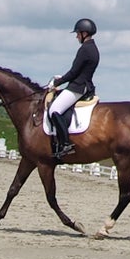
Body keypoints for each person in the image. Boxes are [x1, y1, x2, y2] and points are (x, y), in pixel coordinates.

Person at [46, 18, 99, 160]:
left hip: (78, 87)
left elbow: (74, 73)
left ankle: (65, 144)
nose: (76, 36)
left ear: (84, 33)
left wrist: (57, 82)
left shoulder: (85, 50)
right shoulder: (93, 48)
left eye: (78, 33)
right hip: (84, 85)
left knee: (54, 110)